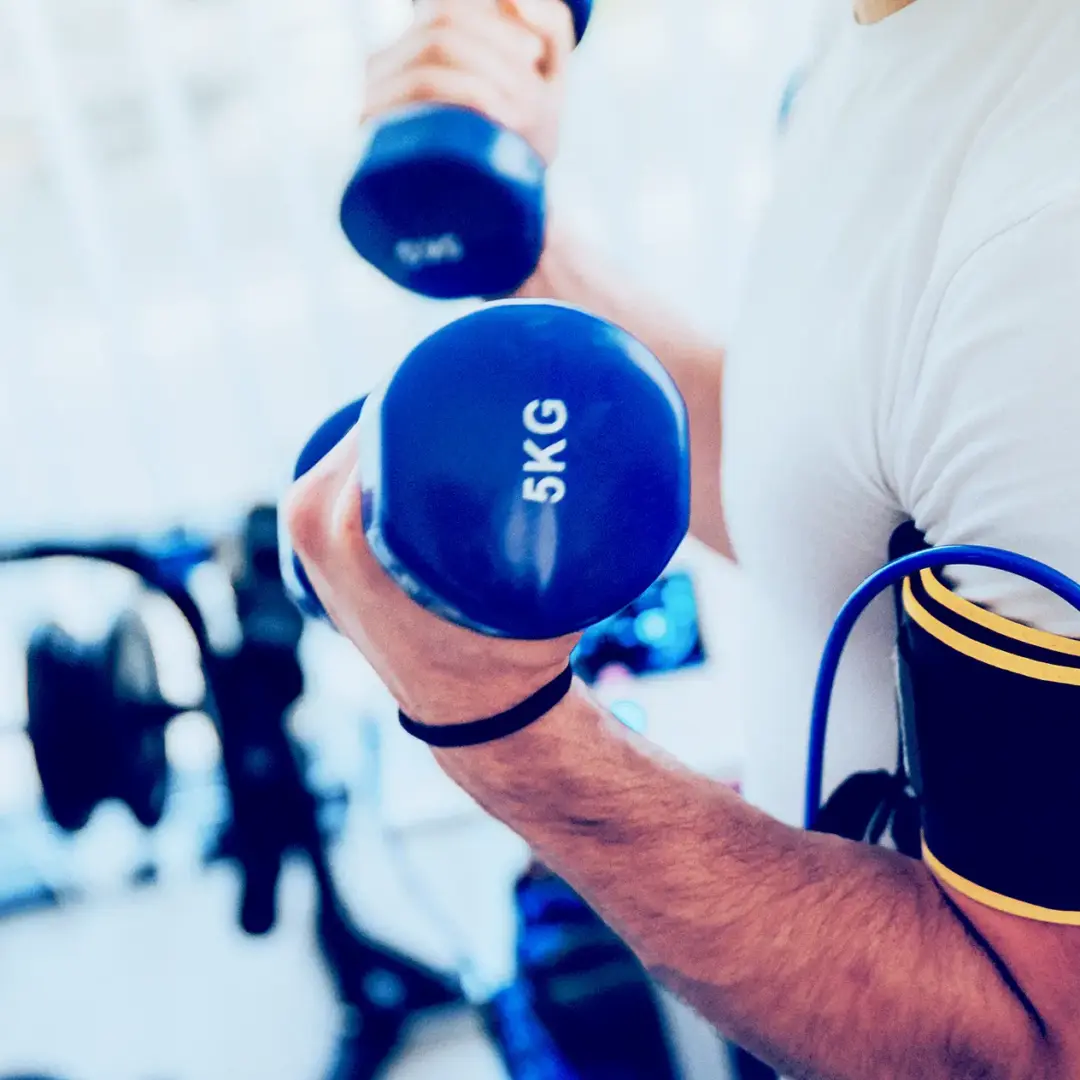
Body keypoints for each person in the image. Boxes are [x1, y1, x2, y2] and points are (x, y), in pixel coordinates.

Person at [287, 0, 1080, 1075]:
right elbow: (833, 484)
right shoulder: (884, 32)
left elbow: (1032, 1045)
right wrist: (521, 245)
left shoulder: (1049, 243)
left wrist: (506, 729)